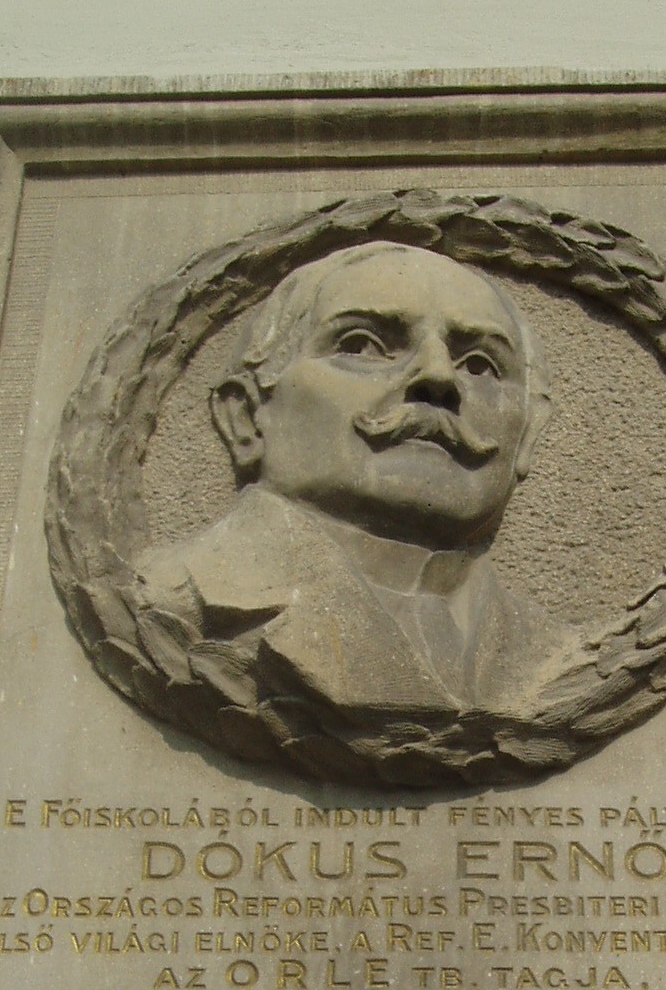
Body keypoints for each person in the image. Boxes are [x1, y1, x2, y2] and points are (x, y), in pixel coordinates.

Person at [133, 242, 578, 728]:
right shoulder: (173, 596)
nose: (438, 377)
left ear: (527, 438)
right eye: (363, 345)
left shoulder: (561, 659)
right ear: (247, 418)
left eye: (479, 365)